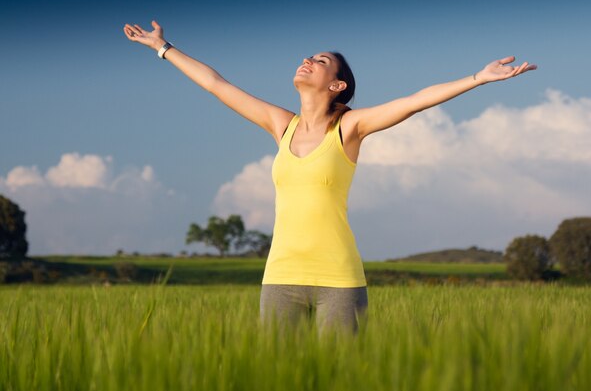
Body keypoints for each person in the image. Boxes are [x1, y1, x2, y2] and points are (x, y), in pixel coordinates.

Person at [123, 20, 537, 335]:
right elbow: (216, 84)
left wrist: (478, 79)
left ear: (337, 84)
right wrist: (162, 47)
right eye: (308, 56)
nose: (307, 60)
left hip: (337, 280)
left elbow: (413, 102)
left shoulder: (350, 127)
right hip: (280, 278)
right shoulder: (279, 125)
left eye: (320, 61)